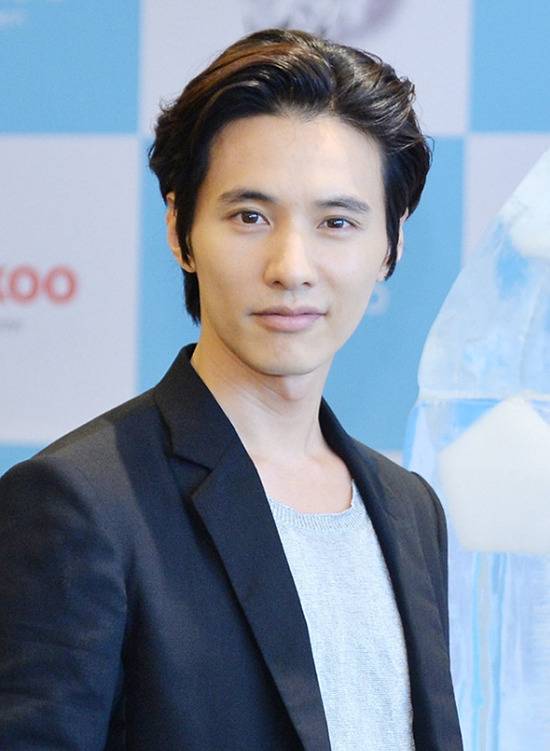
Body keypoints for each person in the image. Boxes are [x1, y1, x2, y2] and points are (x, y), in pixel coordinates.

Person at [0, 28, 463, 751]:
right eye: (250, 216)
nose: (291, 266)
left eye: (337, 222)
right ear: (180, 230)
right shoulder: (80, 503)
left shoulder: (410, 509)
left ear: (391, 244)